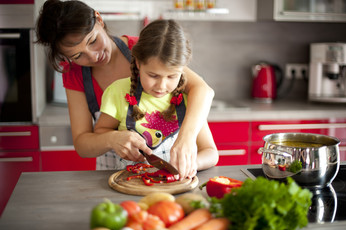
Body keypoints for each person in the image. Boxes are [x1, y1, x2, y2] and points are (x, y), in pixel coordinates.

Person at [35, 0, 215, 179]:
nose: (94, 55)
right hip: (118, 180)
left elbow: (202, 90)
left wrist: (187, 140)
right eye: (77, 55)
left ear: (99, 19)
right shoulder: (75, 74)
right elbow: (82, 144)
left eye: (93, 41)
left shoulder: (148, 50)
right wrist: (112, 138)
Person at [94, 19, 218, 178]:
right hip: (130, 185)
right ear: (138, 63)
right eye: (153, 75)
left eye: (172, 76)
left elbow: (211, 152)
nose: (161, 85)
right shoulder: (117, 92)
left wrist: (194, 163)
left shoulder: (189, 99)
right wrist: (113, 138)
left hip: (173, 188)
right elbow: (100, 133)